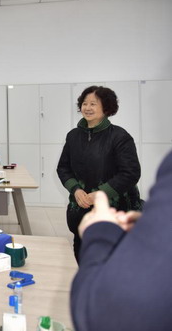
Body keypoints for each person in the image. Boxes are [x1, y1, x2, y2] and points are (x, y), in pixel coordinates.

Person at [70, 150, 172, 331]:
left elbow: (101, 314)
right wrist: (148, 225)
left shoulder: (120, 138)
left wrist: (99, 231)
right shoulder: (73, 137)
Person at [57, 85, 142, 261]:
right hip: (81, 209)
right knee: (81, 255)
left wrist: (101, 193)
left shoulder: (119, 136)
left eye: (93, 104)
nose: (87, 108)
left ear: (106, 108)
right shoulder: (73, 136)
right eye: (84, 103)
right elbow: (63, 168)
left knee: (112, 260)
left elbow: (131, 172)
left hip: (113, 211)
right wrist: (76, 190)